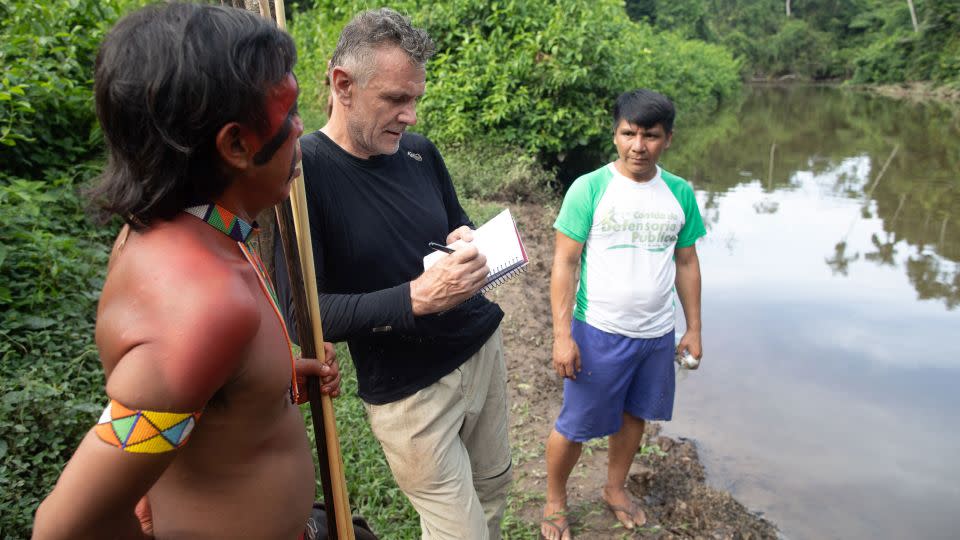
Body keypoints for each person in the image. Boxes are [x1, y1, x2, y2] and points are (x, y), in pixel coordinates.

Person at [31, 4, 342, 539]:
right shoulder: (205, 308)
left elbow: (188, 398)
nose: (301, 129)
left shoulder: (195, 225)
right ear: (236, 146)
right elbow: (64, 528)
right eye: (288, 113)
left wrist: (267, 380)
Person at [274, 8, 512, 540]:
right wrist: (414, 299)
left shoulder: (420, 153)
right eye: (395, 100)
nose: (409, 116)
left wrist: (465, 239)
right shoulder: (301, 174)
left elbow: (456, 222)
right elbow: (302, 312)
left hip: (480, 351)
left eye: (415, 100)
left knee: (493, 491)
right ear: (343, 85)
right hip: (410, 393)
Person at [542, 89, 705, 540]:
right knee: (574, 425)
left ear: (667, 139)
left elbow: (686, 262)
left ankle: (614, 488)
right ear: (615, 134)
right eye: (628, 133)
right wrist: (562, 335)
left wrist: (693, 327)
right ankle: (555, 499)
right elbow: (565, 263)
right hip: (599, 332)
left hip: (656, 335)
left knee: (635, 417)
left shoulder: (679, 193)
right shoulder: (590, 188)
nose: (638, 145)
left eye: (650, 135)